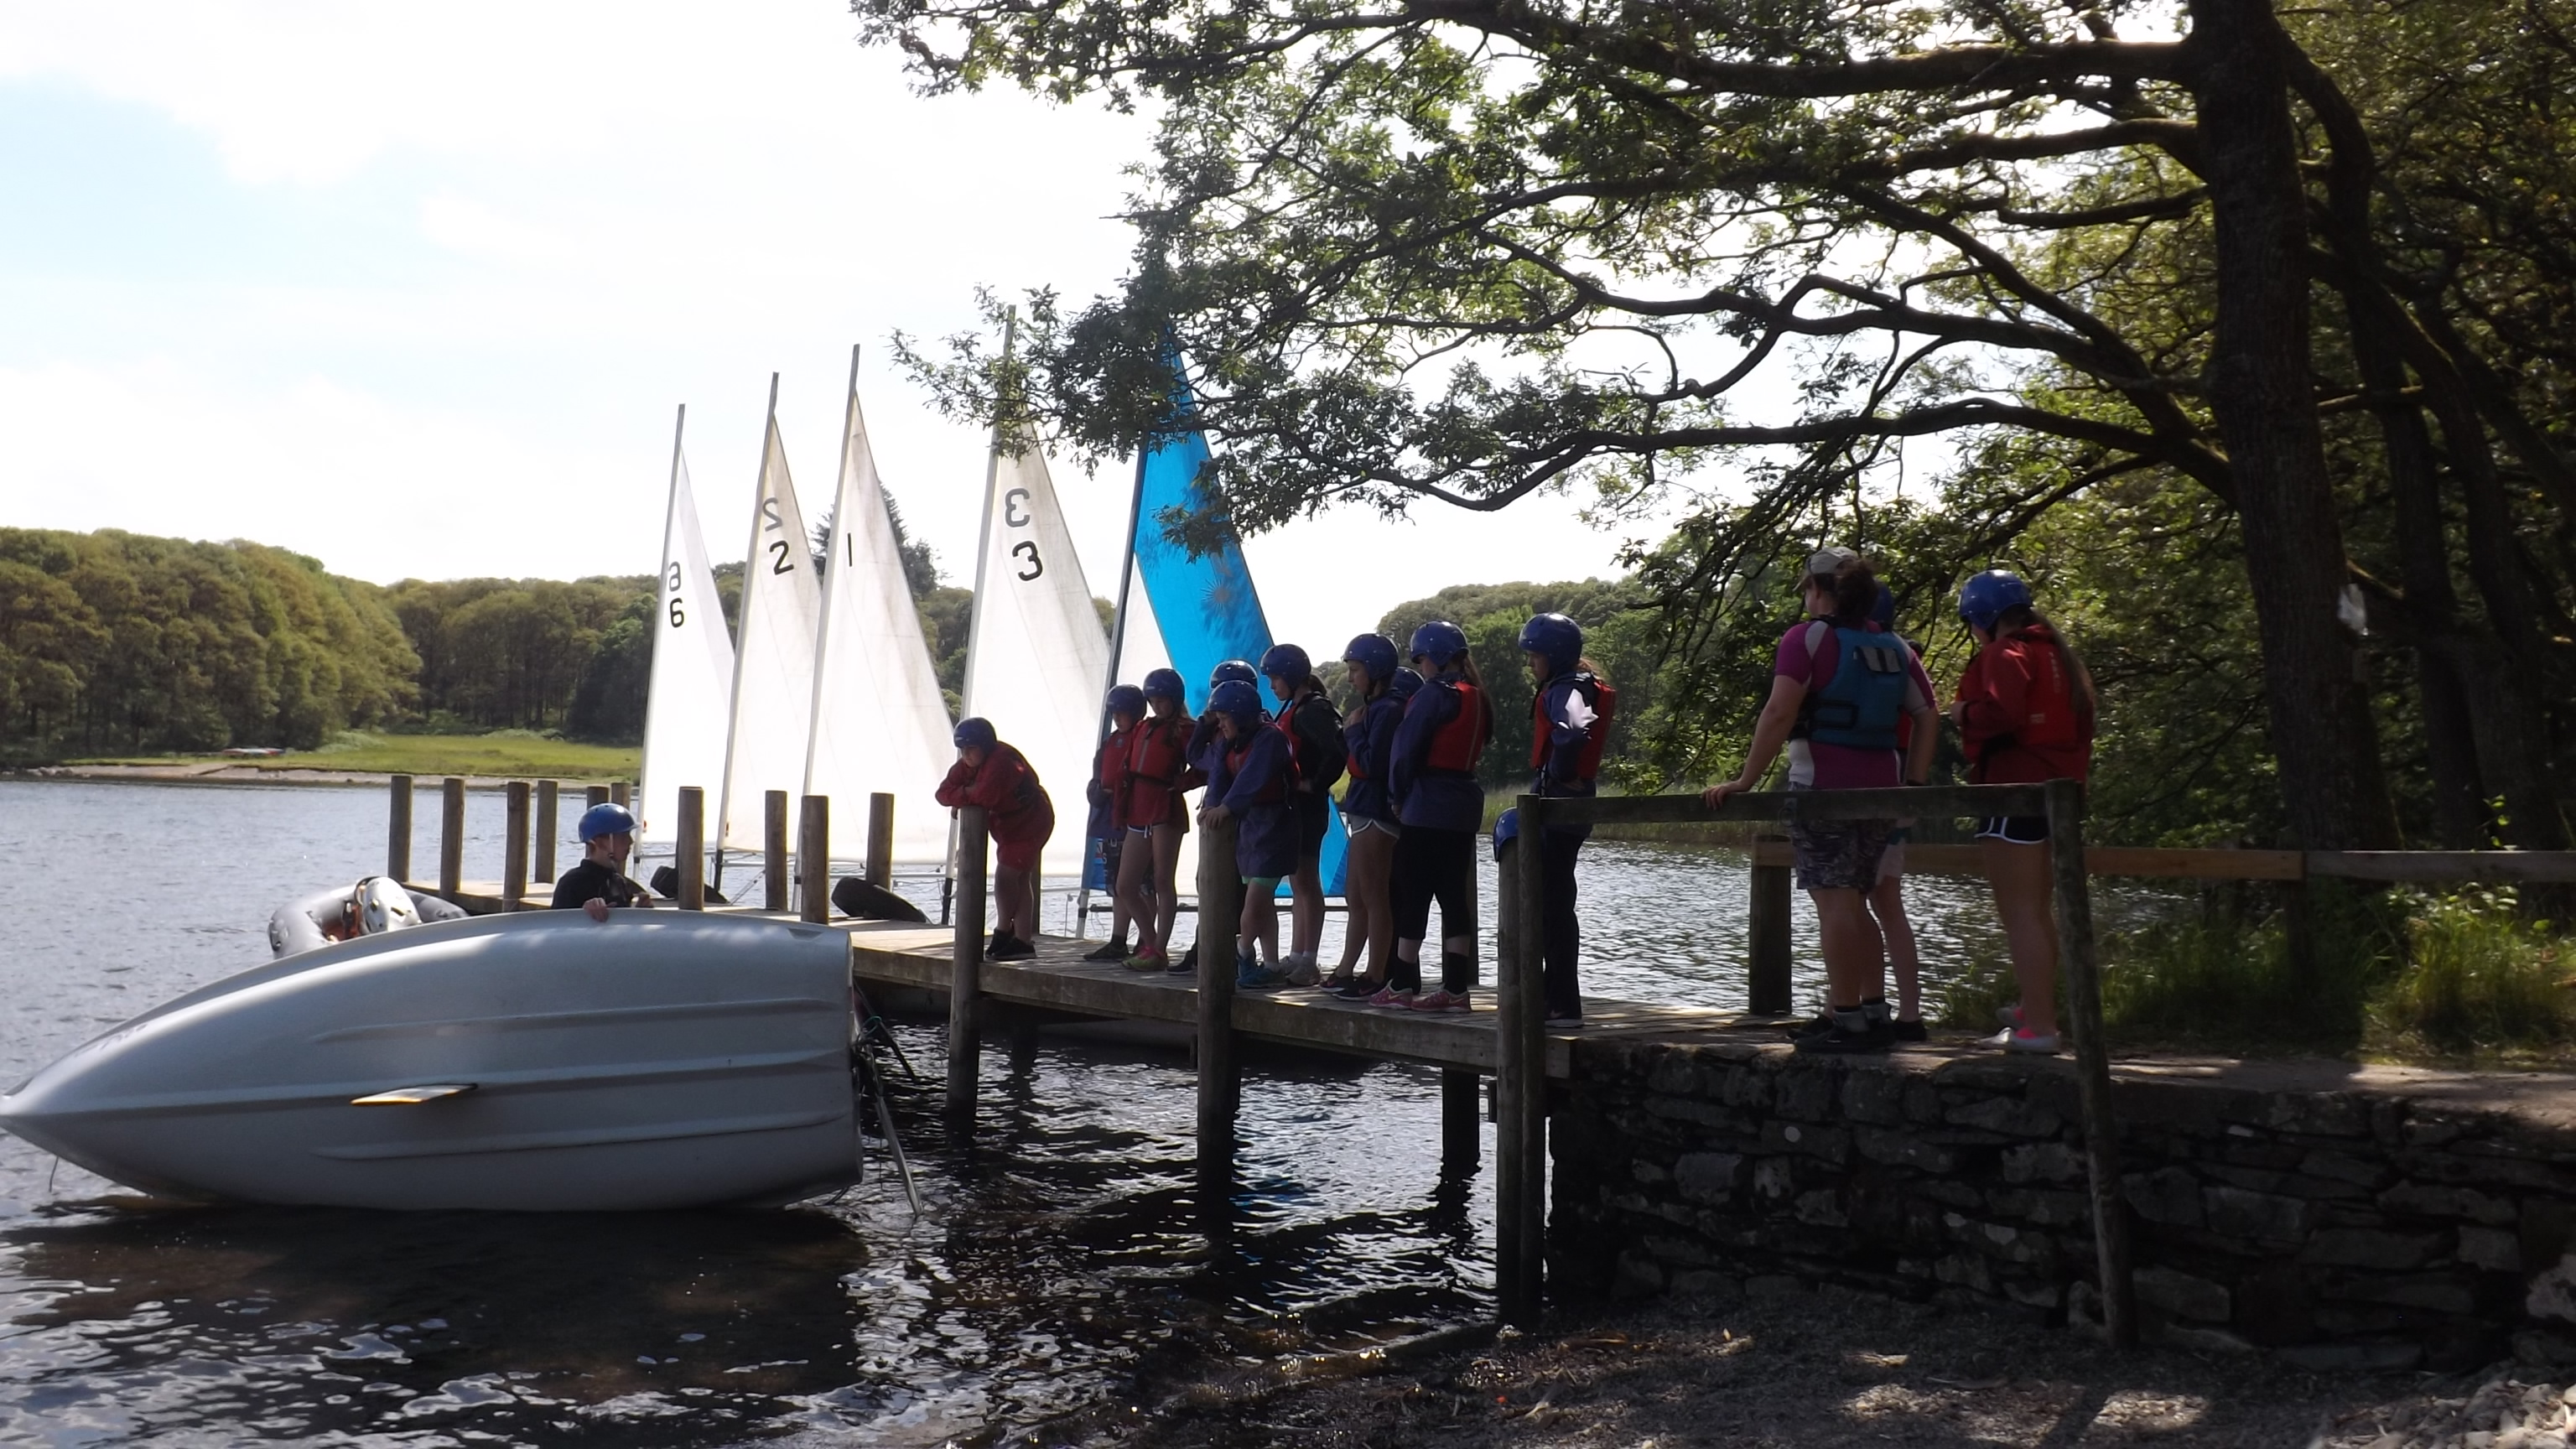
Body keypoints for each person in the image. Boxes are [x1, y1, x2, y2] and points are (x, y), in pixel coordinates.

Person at [1701, 548, 1939, 1054]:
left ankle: (1846, 1018)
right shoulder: (1896, 645)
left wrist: (1746, 779)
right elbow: (1927, 713)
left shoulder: (1806, 638)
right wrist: (1915, 783)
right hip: (1882, 792)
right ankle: (1873, 1011)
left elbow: (1779, 712)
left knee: (1835, 905)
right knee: (1857, 902)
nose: (1805, 598)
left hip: (1821, 790)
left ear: (1821, 590)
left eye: (1807, 588)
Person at [1952, 569, 2097, 1055]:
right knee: (2035, 911)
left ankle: (2040, 1028)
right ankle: (2034, 1009)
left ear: (1983, 618)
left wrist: (1962, 713)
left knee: (2019, 914)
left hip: (2012, 793)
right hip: (2057, 796)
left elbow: (2002, 712)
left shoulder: (2006, 652)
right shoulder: (2060, 657)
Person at [1379, 620, 1493, 1012]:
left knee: (1413, 894)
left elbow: (1404, 750)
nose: (1421, 667)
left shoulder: (1433, 695)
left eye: (1422, 659)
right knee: (1453, 897)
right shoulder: (1477, 696)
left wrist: (1396, 796)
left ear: (1439, 658)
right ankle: (1456, 989)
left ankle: (1400, 984)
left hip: (1427, 804)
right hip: (1464, 806)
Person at [1519, 612, 1617, 1025]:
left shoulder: (1568, 688)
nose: (1530, 663)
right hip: (1567, 803)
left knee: (1554, 905)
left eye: (1535, 655)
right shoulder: (1573, 683)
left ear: (1555, 655)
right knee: (1554, 902)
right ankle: (1555, 997)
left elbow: (1575, 729)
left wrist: (1560, 773)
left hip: (1560, 804)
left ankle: (1561, 1003)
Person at [1261, 643, 1348, 984]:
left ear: (1292, 676)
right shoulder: (1293, 707)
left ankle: (1309, 960)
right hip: (1293, 807)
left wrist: (1315, 783)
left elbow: (1337, 750)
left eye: (1275, 678)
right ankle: (1298, 955)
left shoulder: (1313, 709)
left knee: (1307, 882)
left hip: (1308, 807)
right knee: (1298, 881)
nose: (1272, 686)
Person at [1201, 678, 1296, 989]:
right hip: (1250, 829)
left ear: (1241, 717)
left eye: (1224, 718)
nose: (1221, 724)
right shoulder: (1229, 740)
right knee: (1263, 905)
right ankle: (1271, 966)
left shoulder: (1270, 739)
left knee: (1254, 904)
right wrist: (1212, 805)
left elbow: (1252, 777)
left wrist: (1227, 808)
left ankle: (1241, 953)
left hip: (1275, 826)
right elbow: (1218, 776)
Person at [1866, 585, 1929, 1041]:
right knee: (1887, 905)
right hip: (1903, 788)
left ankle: (1856, 1007)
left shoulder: (1867, 658)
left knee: (1856, 901)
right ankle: (1907, 1013)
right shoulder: (1904, 657)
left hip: (1877, 786)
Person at [937, 716, 1054, 960]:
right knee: (1019, 879)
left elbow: (985, 796)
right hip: (1009, 827)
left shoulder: (1001, 762)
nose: (966, 754)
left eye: (971, 748)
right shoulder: (967, 765)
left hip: (1031, 823)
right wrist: (966, 795)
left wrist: (962, 797)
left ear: (986, 745)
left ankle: (1005, 931)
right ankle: (1021, 940)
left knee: (1006, 877)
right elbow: (942, 793)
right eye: (962, 749)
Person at [1328, 633, 1405, 995]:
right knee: (1355, 895)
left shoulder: (1388, 710)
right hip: (1362, 809)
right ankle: (1347, 967)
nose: (1350, 678)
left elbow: (1374, 764)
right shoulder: (1375, 708)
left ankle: (1375, 974)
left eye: (1355, 670)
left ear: (1374, 670)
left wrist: (1355, 731)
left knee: (1374, 897)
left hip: (1377, 811)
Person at [1181, 660, 1261, 980]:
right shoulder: (1221, 735)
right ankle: (1204, 946)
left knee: (1237, 889)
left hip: (1239, 821)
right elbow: (1194, 756)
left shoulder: (1255, 736)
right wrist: (1204, 722)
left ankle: (1232, 952)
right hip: (1217, 822)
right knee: (1207, 883)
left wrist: (1225, 807)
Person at [1116, 667, 1194, 972]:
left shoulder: (1186, 729)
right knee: (1125, 885)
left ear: (1174, 699)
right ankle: (1151, 945)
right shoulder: (1143, 727)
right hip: (1139, 806)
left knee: (1163, 880)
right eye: (1153, 701)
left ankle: (1159, 948)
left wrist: (1184, 783)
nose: (1157, 706)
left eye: (1162, 700)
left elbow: (1206, 765)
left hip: (1165, 806)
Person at [1082, 684, 1146, 962]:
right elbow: (1098, 776)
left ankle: (1147, 940)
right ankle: (1118, 940)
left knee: (1142, 885)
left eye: (1123, 713)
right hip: (1111, 821)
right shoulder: (1109, 744)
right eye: (1115, 713)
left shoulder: (1143, 739)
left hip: (1136, 822)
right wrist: (1096, 791)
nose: (1118, 718)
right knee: (1117, 884)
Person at [553, 802, 654, 922]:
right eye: (623, 836)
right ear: (600, 842)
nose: (630, 841)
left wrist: (639, 914)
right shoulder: (571, 884)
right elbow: (556, 926)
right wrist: (583, 913)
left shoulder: (620, 882)